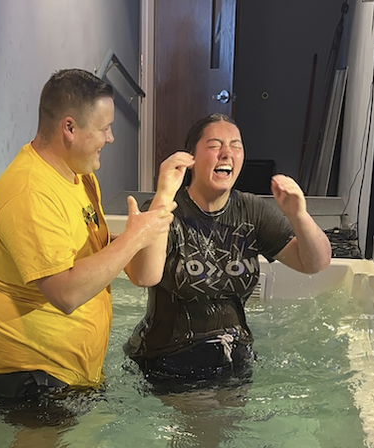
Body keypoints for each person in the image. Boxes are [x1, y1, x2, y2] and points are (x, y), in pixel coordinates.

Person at [0, 68, 194, 409]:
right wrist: (134, 237)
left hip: (70, 373)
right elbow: (65, 293)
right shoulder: (30, 191)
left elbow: (141, 274)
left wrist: (163, 197)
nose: (111, 138)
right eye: (104, 128)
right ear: (70, 128)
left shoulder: (79, 177)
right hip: (29, 376)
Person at [124, 113, 332, 386]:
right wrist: (163, 197)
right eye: (214, 145)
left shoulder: (251, 211)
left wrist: (299, 216)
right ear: (190, 158)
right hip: (167, 357)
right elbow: (144, 276)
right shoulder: (165, 209)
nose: (227, 153)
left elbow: (315, 263)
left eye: (236, 146)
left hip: (232, 354)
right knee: (208, 411)